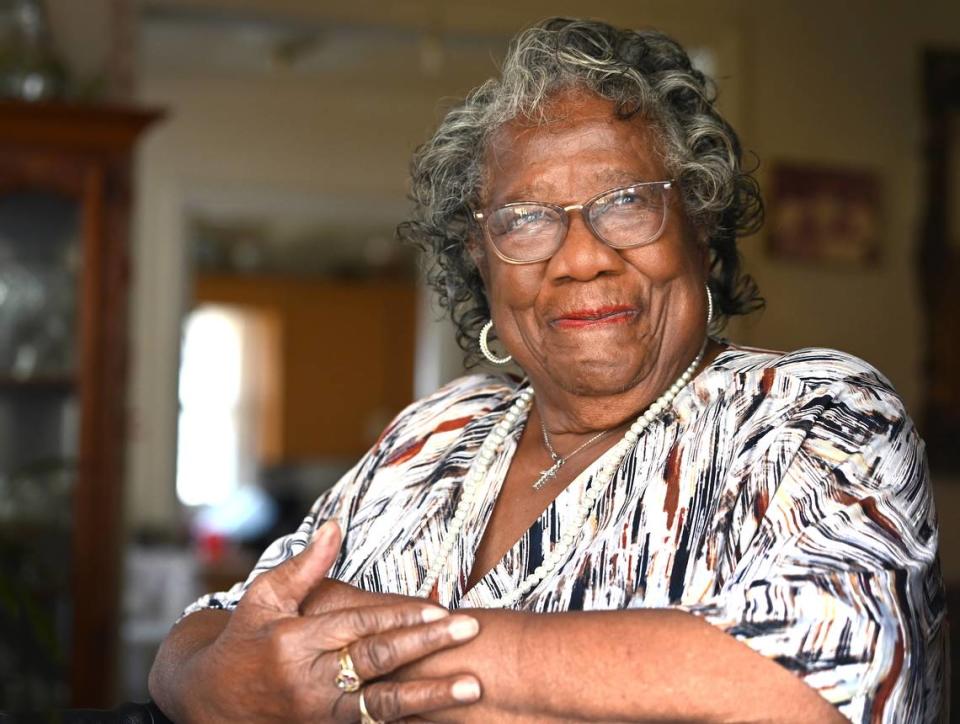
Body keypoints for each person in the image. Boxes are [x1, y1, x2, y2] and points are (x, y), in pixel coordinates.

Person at [148, 17, 946, 723]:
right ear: (481, 259)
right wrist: (207, 685)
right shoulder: (437, 432)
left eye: (627, 200)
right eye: (525, 219)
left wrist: (369, 665)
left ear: (698, 223)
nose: (582, 257)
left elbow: (811, 694)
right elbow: (220, 626)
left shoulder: (812, 414)